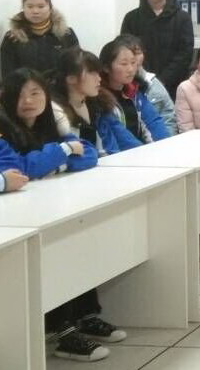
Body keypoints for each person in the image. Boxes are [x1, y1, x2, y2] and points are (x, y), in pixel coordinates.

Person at [0, 69, 118, 362]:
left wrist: (57, 161)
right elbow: (21, 168)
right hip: (17, 217)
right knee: (53, 254)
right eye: (20, 95)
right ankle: (61, 331)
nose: (28, 101)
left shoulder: (50, 124)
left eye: (35, 93)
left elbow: (88, 153)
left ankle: (85, 315)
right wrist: (63, 152)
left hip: (49, 205)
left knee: (80, 240)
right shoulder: (6, 128)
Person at [51, 48, 141, 156]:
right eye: (92, 73)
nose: (99, 79)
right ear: (71, 79)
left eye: (98, 73)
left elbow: (125, 139)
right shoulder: (56, 113)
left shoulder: (100, 104)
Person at [119, 0, 193, 93]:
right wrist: (144, 77)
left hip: (174, 84)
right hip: (139, 82)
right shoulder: (131, 18)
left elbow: (185, 54)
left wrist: (162, 81)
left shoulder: (183, 18)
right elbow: (126, 51)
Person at [99, 37, 170, 145]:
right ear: (106, 67)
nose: (131, 69)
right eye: (124, 64)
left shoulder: (135, 92)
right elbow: (121, 137)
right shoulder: (100, 98)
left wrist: (165, 145)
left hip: (141, 150)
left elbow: (153, 121)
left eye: (133, 63)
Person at [1, 0, 79, 79]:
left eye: (41, 6)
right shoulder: (12, 37)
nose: (35, 11)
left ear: (50, 8)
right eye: (30, 7)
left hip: (60, 86)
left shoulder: (66, 34)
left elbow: (76, 67)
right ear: (23, 8)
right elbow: (8, 73)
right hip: (25, 87)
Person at [118, 34, 177, 135]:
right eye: (130, 54)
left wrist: (167, 142)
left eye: (138, 53)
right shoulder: (114, 86)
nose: (135, 58)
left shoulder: (151, 83)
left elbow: (168, 118)